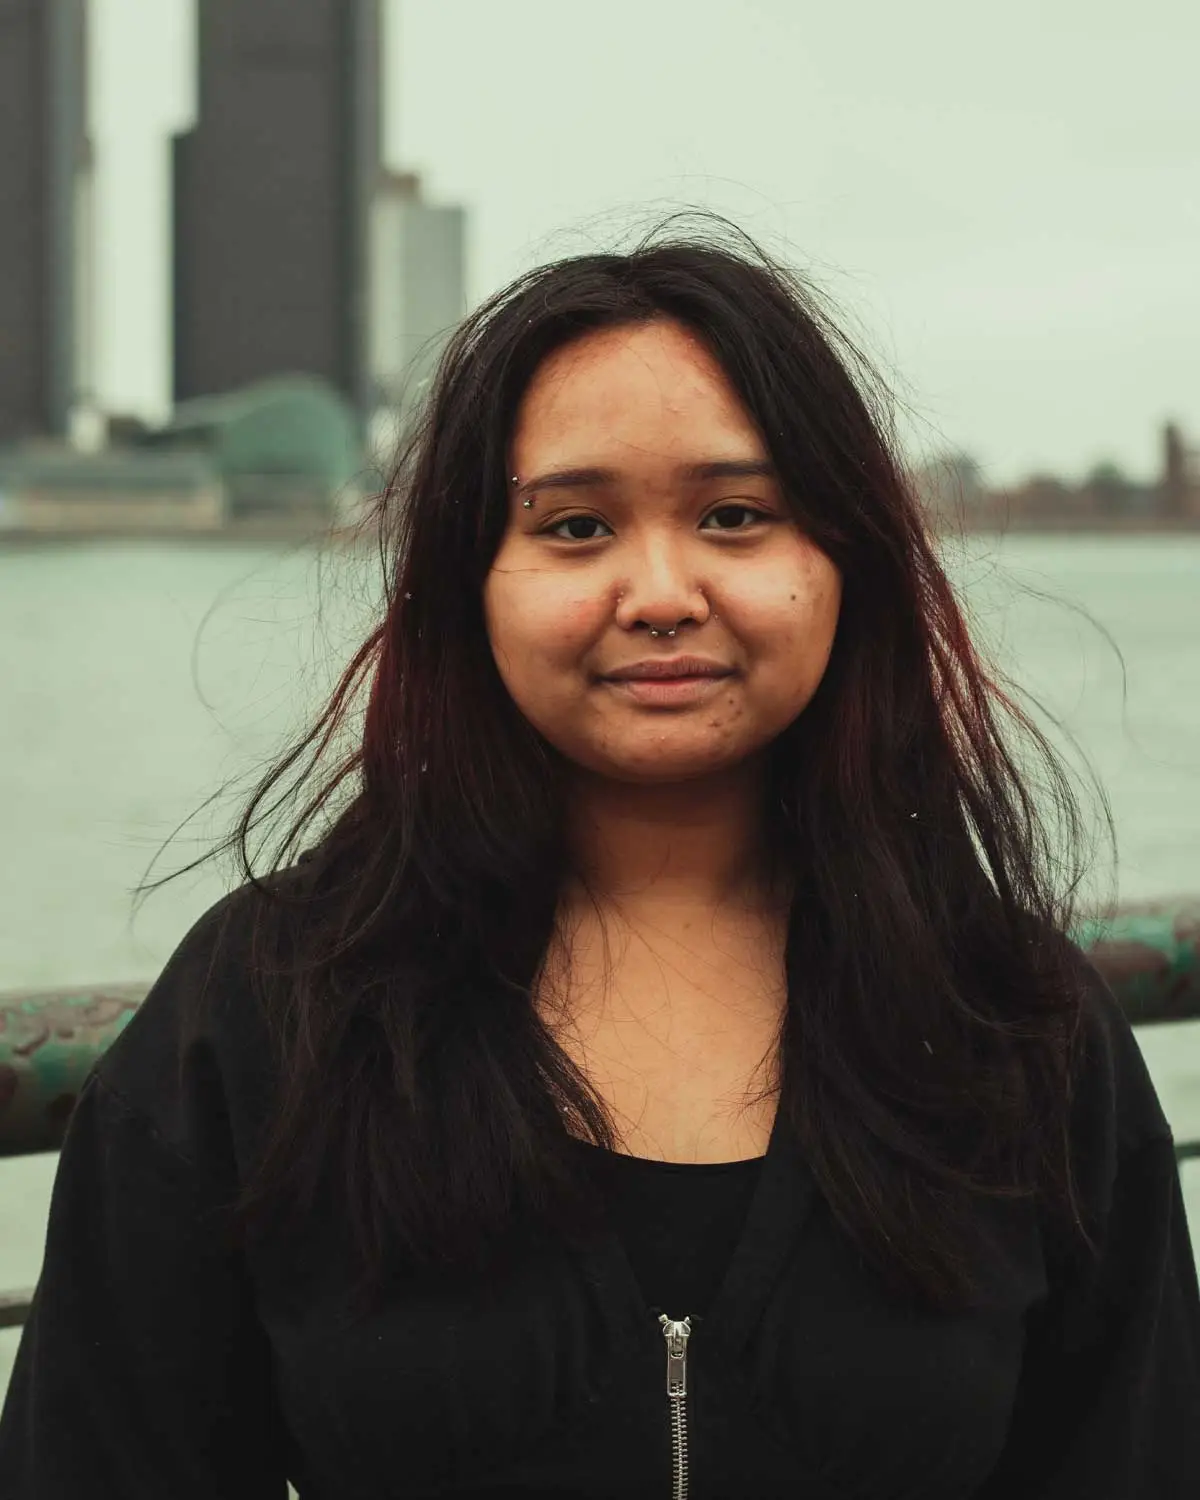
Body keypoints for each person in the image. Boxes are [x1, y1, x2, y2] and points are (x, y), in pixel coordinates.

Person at [2, 218, 1198, 1498]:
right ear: (470, 584)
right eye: (575, 528)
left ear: (845, 563)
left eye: (736, 515)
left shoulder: (1013, 1027)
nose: (662, 590)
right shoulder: (272, 1007)